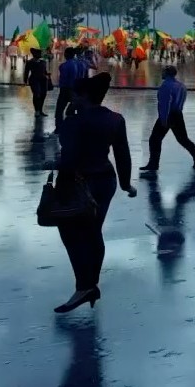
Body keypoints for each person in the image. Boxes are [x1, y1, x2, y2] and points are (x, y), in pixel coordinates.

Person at [50, 73, 136, 313]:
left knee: (70, 233)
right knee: (93, 231)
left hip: (76, 182)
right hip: (105, 180)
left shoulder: (74, 122)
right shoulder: (116, 119)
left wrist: (67, 115)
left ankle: (84, 285)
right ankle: (90, 284)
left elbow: (67, 152)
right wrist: (126, 184)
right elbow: (123, 155)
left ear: (84, 95)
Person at [140, 64, 195, 174]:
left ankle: (153, 163)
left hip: (168, 115)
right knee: (183, 139)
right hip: (178, 115)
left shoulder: (166, 86)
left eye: (163, 72)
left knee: (155, 139)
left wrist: (163, 119)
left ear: (167, 73)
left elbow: (165, 104)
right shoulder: (181, 86)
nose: (161, 73)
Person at [55, 47, 91, 125]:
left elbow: (63, 79)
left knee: (59, 110)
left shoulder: (64, 66)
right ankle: (75, 126)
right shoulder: (82, 64)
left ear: (66, 54)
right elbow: (84, 76)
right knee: (76, 108)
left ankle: (59, 127)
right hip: (77, 89)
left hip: (66, 89)